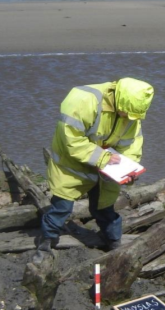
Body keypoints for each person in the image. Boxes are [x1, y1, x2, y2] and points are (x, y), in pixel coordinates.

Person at [34, 77, 155, 255]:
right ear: (118, 99)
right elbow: (72, 139)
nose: (128, 118)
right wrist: (102, 157)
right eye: (125, 113)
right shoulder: (82, 99)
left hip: (108, 164)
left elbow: (131, 143)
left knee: (104, 206)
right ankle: (46, 242)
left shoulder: (131, 110)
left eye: (132, 116)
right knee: (62, 206)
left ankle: (113, 242)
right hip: (72, 163)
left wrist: (129, 167)